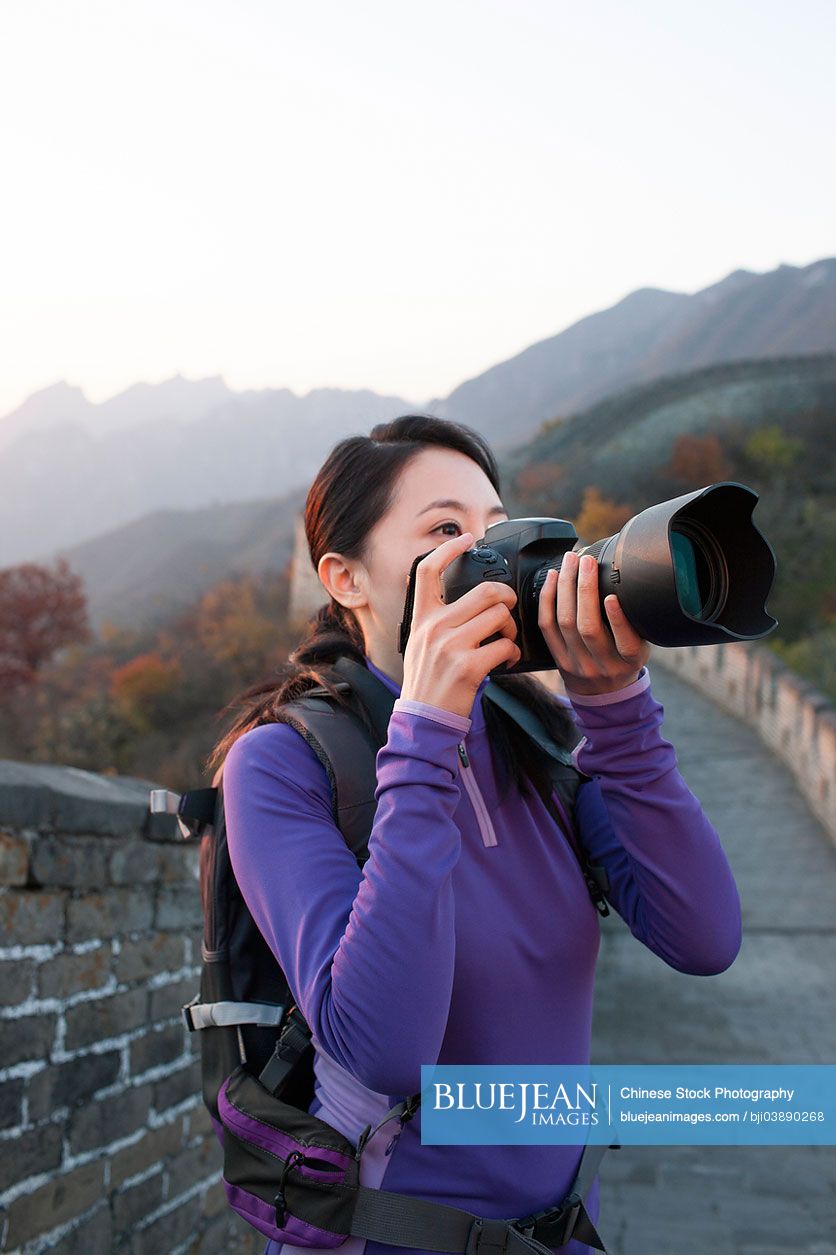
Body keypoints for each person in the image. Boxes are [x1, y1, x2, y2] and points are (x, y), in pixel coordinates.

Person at [207, 413, 743, 1255]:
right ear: (345, 577)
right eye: (446, 529)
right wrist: (423, 730)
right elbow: (383, 1048)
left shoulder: (533, 741)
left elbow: (705, 936)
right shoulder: (283, 765)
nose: (492, 551)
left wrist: (616, 712)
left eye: (497, 527)